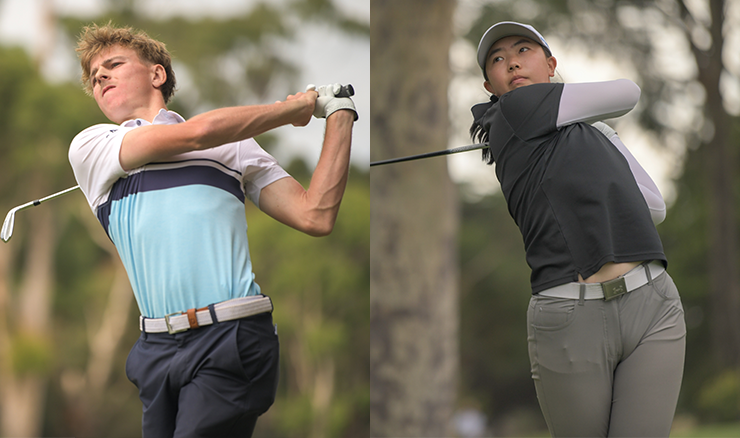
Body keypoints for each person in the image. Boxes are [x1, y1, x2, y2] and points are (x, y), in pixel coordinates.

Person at [68, 23, 357, 438]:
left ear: (157, 74)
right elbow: (197, 133)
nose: (101, 78)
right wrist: (290, 110)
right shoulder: (92, 146)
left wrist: (339, 115)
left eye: (113, 65)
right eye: (94, 77)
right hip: (155, 349)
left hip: (231, 337)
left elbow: (316, 214)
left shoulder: (236, 147)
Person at [469, 21, 686, 437]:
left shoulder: (588, 132)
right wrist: (594, 123)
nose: (512, 62)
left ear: (551, 64)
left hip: (653, 302)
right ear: (489, 86)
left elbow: (653, 206)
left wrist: (604, 136)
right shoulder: (515, 109)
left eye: (523, 51)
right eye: (498, 59)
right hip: (571, 316)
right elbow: (627, 92)